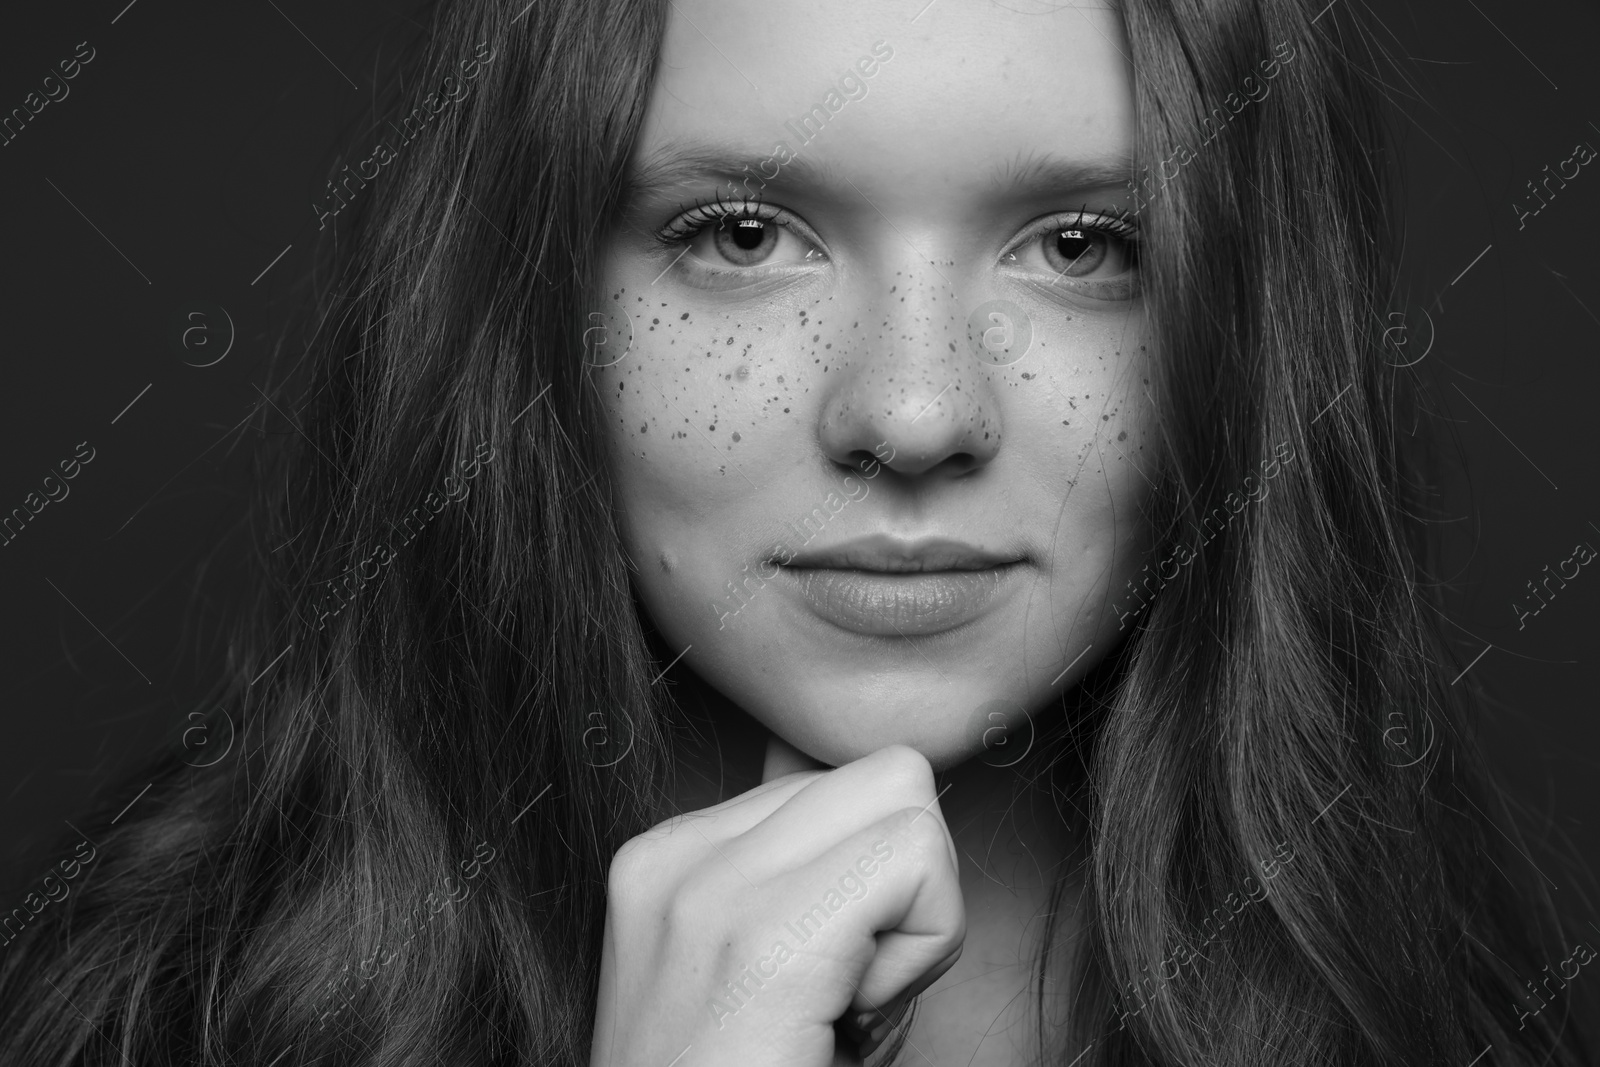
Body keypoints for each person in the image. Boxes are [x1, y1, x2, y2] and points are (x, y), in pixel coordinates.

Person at [0, 0, 1592, 1064]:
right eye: (743, 235)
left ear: (1253, 325)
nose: (911, 415)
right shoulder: (162, 1009)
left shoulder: (1442, 1011)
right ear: (531, 305)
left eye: (1087, 245)